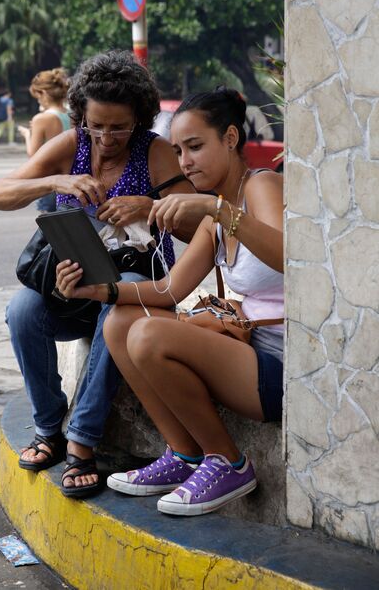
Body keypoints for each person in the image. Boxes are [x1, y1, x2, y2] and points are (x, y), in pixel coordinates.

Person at [55, 86, 284, 514]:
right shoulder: (216, 207)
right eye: (178, 150)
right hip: (244, 347)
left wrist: (217, 212)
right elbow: (169, 289)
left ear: (230, 139)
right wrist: (99, 290)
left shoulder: (261, 186)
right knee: (121, 320)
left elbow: (292, 256)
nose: (184, 162)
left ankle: (229, 462)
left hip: (282, 366)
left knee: (147, 336)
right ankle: (184, 454)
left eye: (195, 147)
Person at [0, 50, 198, 497]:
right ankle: (49, 429)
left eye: (118, 126)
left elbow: (199, 223)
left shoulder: (154, 152)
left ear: (139, 118)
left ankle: (81, 442)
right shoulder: (71, 144)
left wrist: (150, 206)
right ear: (81, 115)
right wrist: (53, 183)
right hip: (69, 287)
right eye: (95, 124)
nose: (106, 136)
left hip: (129, 290)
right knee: (22, 309)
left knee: (129, 294)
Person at [18, 68, 71, 212]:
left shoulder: (41, 119)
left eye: (38, 97)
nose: (39, 101)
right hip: (72, 181)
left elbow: (33, 155)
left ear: (44, 93)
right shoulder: (73, 115)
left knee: (51, 230)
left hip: (51, 182)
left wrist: (27, 135)